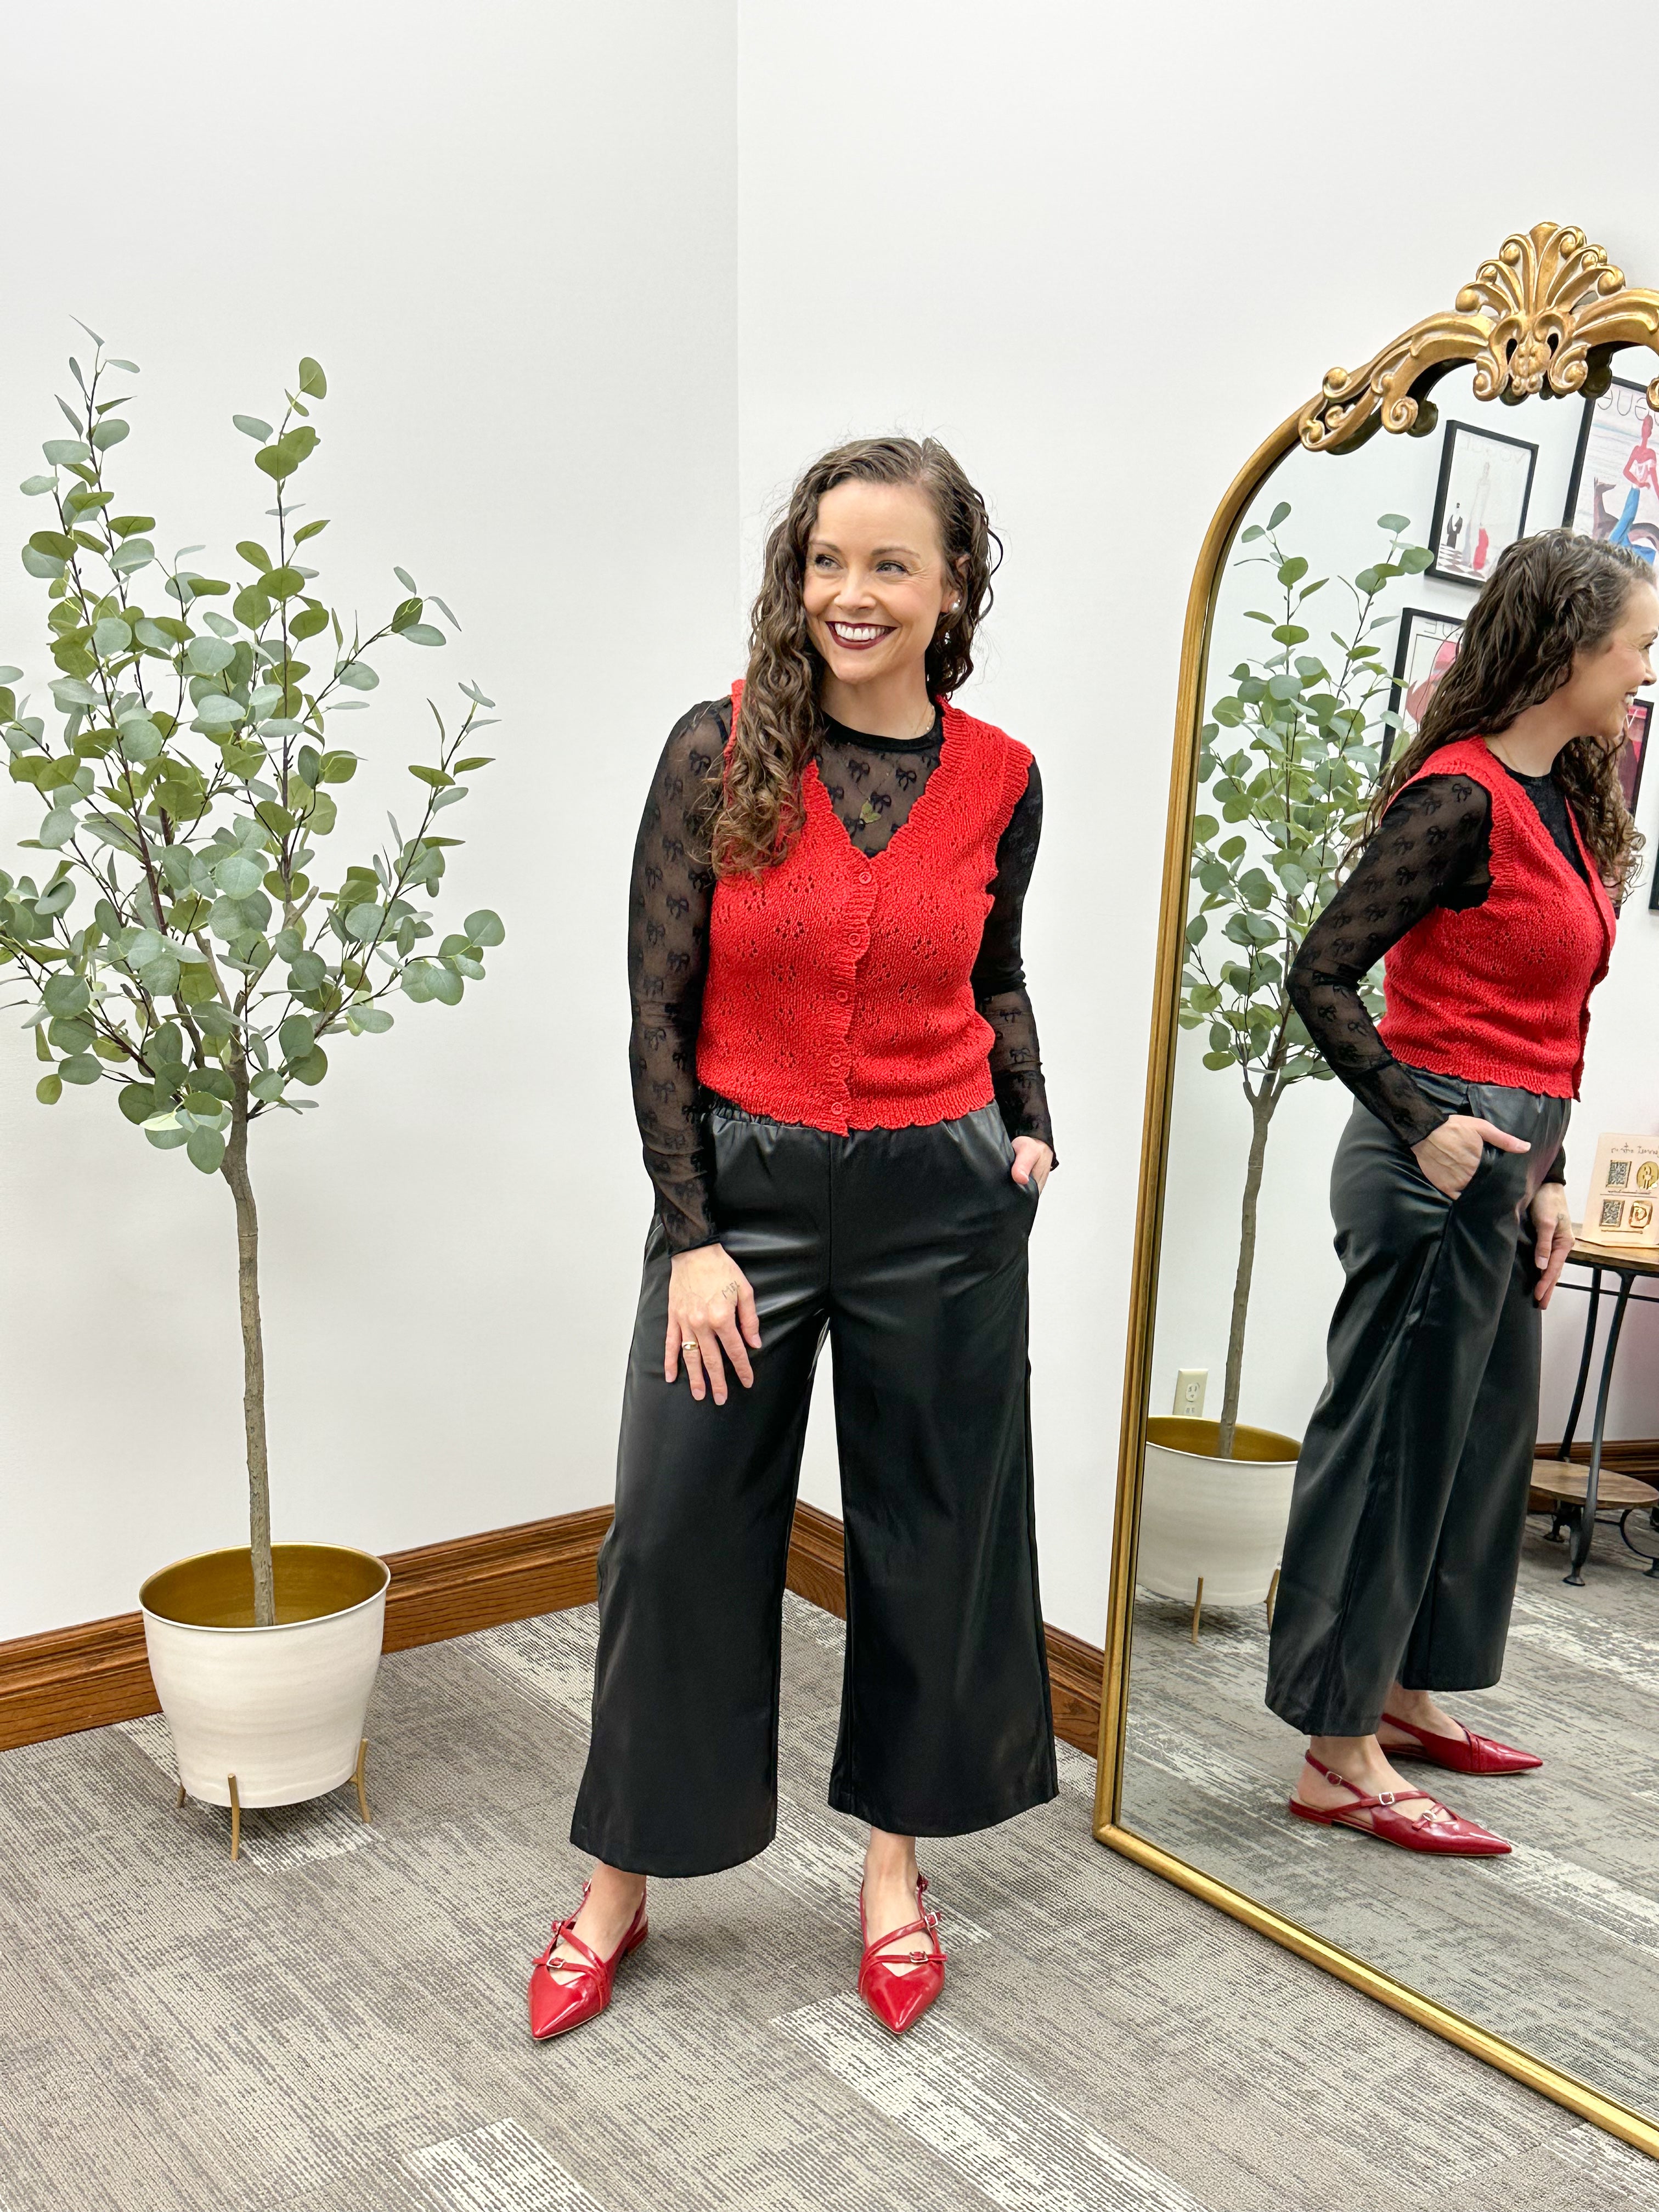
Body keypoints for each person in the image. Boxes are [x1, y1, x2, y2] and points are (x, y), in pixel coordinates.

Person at [528, 437, 1058, 2039]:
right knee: (679, 1537)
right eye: (829, 560)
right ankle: (619, 1880)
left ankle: (894, 1870)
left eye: (891, 564)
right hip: (741, 1202)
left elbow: (997, 973)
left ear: (954, 584)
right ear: (796, 572)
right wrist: (694, 1234)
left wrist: (1030, 1123)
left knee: (929, 1536)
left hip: (942, 1203)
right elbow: (656, 1010)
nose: (852, 593)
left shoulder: (1004, 778)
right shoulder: (720, 749)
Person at [1268, 529, 1652, 1856]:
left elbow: (1553, 1016)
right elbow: (1318, 977)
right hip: (1430, 1165)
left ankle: (1408, 1692)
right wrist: (1427, 1124)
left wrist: (1546, 1181)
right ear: (1566, 650)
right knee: (1392, 1455)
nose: (1646, 672)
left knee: (1479, 1451)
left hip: (1507, 1167)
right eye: (1636, 647)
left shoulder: (1567, 798)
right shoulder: (1457, 797)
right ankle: (1336, 1751)